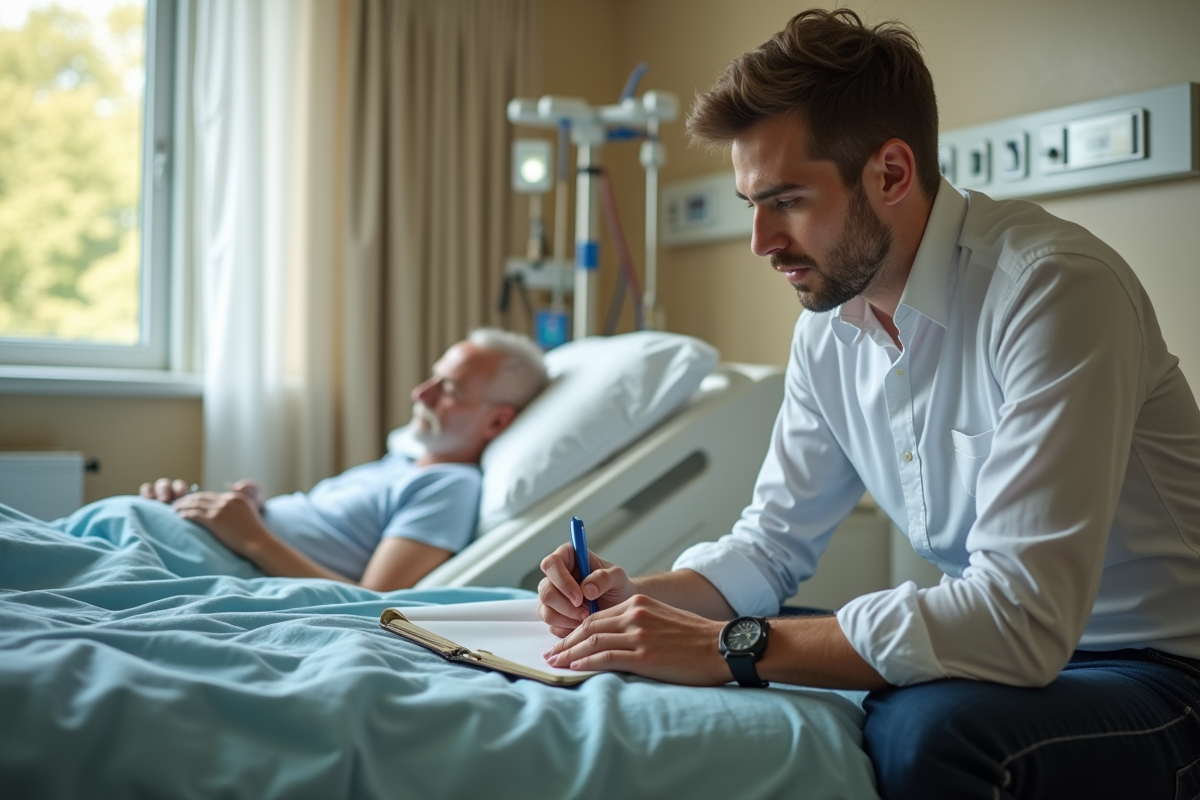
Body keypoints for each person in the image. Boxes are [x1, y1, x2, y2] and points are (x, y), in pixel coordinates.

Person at [535, 9, 1200, 799]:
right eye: (749, 201)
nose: (759, 242)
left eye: (785, 200)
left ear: (890, 172)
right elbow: (771, 550)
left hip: (1152, 667)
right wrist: (636, 602)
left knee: (930, 735)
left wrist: (728, 645)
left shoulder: (1052, 291)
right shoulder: (830, 329)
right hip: (1007, 639)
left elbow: (1021, 617)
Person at [142, 328, 547, 592]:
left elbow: (372, 601)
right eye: (433, 377)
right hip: (197, 538)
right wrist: (252, 507)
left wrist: (253, 536)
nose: (421, 394)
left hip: (222, 564)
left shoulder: (449, 486)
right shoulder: (402, 462)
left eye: (450, 389)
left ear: (496, 421)